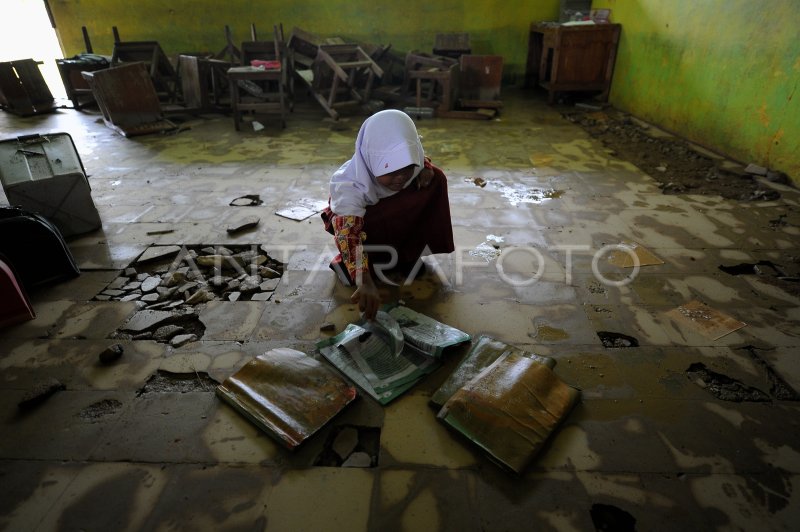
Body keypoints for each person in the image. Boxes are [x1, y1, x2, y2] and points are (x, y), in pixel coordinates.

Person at [321, 109, 455, 320]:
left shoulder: (412, 163)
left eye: (407, 168)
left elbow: (418, 157)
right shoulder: (348, 185)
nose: (401, 177)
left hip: (391, 223)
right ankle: (355, 265)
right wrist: (363, 280)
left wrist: (424, 168)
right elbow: (347, 234)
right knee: (355, 240)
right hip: (362, 226)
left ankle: (406, 254)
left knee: (435, 178)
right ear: (373, 160)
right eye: (390, 170)